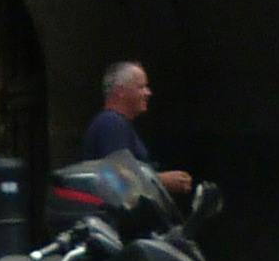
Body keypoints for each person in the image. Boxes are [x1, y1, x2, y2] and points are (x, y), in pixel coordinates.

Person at [80, 61, 194, 194]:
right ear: (120, 91)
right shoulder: (111, 123)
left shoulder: (117, 123)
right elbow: (114, 179)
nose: (148, 93)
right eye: (142, 87)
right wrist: (161, 181)